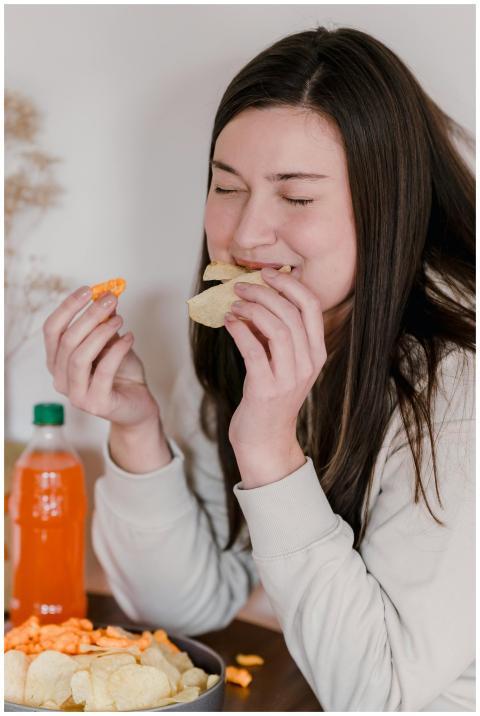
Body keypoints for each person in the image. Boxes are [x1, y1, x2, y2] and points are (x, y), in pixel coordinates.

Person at [42, 26, 475, 712]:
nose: (245, 235)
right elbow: (184, 607)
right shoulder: (245, 338)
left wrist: (270, 449)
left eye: (296, 198)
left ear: (386, 205)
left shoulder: (459, 390)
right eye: (226, 186)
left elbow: (379, 697)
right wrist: (137, 430)